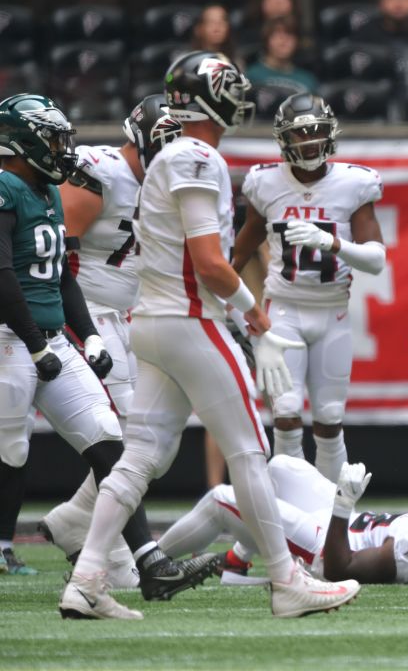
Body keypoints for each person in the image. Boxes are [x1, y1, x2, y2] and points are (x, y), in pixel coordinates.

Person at [61, 52, 360, 620]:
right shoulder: (198, 156)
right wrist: (259, 321)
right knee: (250, 448)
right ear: (213, 96)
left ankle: (86, 581)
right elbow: (211, 264)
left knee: (139, 457)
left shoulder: (171, 155)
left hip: (149, 322)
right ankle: (286, 580)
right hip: (189, 320)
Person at [0, 93, 210, 596]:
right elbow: (6, 273)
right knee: (10, 447)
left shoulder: (47, 190)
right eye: (51, 138)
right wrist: (37, 343)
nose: (61, 151)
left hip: (73, 328)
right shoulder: (12, 188)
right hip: (13, 337)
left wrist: (86, 336)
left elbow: (60, 275)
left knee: (113, 438)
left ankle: (143, 560)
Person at [36, 96, 183, 578]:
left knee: (156, 443)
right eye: (160, 145)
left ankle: (75, 519)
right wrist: (81, 328)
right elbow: (55, 257)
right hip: (87, 315)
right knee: (125, 440)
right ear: (137, 139)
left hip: (128, 316)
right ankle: (117, 554)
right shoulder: (102, 172)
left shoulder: (170, 184)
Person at [232, 93, 386, 482]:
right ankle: (291, 509)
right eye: (300, 135)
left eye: (316, 132)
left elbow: (376, 259)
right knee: (285, 417)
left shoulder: (353, 183)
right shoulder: (265, 182)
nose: (309, 143)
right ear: (284, 140)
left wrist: (332, 243)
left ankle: (329, 514)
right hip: (283, 310)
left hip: (333, 310)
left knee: (330, 420)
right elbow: (245, 243)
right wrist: (223, 285)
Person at [157, 456, 408, 586]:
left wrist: (342, 504)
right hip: (351, 526)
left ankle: (148, 561)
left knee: (224, 499)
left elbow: (339, 569)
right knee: (281, 467)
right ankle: (237, 561)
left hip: (325, 547)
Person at [244, 19, 319, 98]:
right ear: (267, 40)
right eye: (277, 35)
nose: (283, 40)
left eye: (289, 35)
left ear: (297, 42)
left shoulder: (308, 80)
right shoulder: (252, 75)